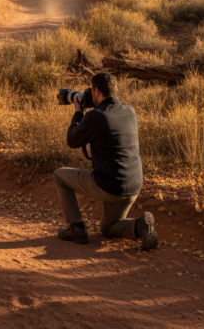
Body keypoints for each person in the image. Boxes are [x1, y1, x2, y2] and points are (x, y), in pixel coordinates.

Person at [53, 71, 157, 251]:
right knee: (108, 229)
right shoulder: (129, 110)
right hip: (133, 186)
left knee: (60, 175)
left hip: (109, 186)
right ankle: (139, 225)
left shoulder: (96, 116)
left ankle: (76, 228)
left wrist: (78, 112)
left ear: (96, 92)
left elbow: (72, 140)